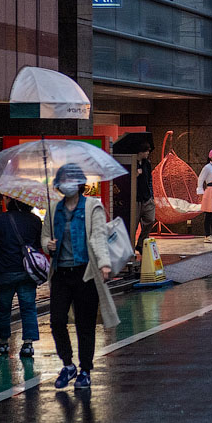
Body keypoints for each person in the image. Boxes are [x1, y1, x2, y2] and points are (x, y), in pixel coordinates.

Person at [43, 163, 118, 389]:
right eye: (63, 179)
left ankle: (85, 369)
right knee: (57, 321)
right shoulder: (54, 208)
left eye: (71, 179)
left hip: (85, 274)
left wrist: (104, 264)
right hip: (60, 274)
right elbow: (45, 236)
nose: (67, 184)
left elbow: (98, 237)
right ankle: (68, 365)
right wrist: (48, 245)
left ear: (80, 183)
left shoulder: (92, 206)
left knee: (85, 325)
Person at [0, 198, 43, 358]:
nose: (3, 199)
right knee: (28, 307)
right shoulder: (35, 220)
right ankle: (28, 344)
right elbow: (37, 245)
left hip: (4, 270)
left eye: (6, 197)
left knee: (3, 308)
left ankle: (3, 342)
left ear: (11, 201)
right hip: (27, 271)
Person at [134, 142, 156, 255]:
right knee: (133, 224)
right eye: (146, 151)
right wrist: (134, 175)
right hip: (135, 199)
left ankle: (141, 243)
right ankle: (131, 248)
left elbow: (149, 180)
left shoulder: (147, 163)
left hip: (147, 198)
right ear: (140, 152)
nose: (148, 153)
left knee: (151, 219)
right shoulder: (133, 163)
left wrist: (151, 196)